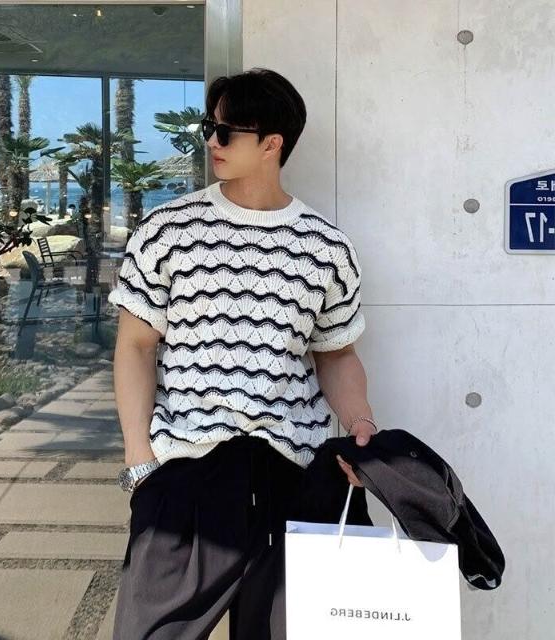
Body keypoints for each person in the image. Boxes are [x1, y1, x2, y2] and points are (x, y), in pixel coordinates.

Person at [108, 67, 378, 640]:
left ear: (272, 144)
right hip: (187, 471)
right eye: (210, 127)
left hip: (293, 473)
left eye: (226, 131)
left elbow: (336, 354)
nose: (212, 141)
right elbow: (134, 345)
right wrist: (139, 461)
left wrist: (361, 425)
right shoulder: (167, 230)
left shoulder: (326, 247)